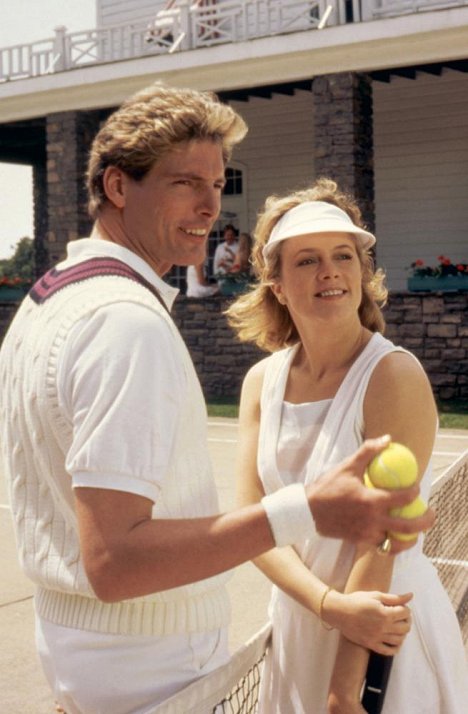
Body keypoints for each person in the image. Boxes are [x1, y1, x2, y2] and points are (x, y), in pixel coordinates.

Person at [0, 85, 434, 714]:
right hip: (149, 672)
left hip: (85, 656)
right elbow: (113, 559)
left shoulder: (45, 300)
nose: (210, 206)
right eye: (185, 184)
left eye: (217, 183)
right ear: (118, 188)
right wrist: (307, 509)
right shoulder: (127, 322)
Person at [227, 178, 468, 713]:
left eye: (343, 255)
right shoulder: (259, 384)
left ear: (362, 273)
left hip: (380, 643)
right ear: (278, 284)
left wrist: (343, 692)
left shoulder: (393, 375)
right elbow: (251, 522)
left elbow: (379, 543)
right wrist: (327, 605)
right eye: (307, 260)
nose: (330, 271)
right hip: (301, 628)